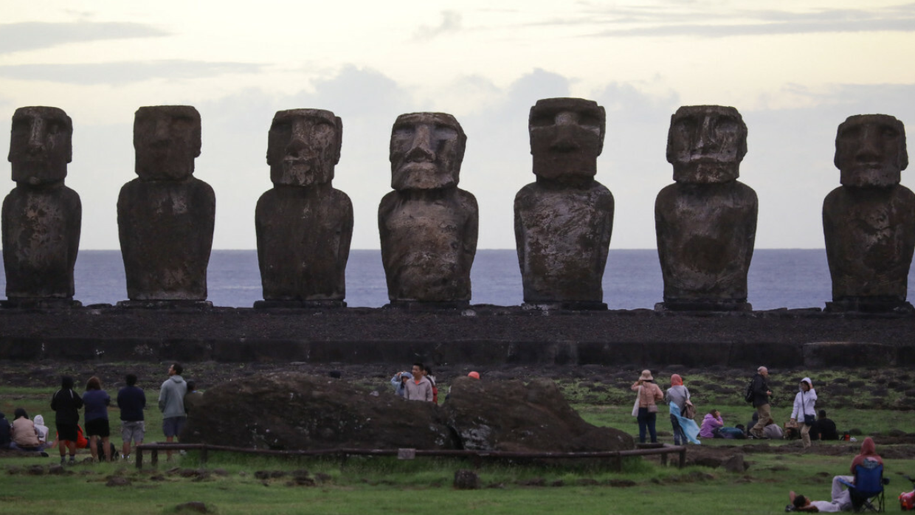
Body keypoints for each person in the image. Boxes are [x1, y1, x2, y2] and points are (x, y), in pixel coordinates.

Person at [50, 376, 83, 465]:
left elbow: (53, 406)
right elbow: (80, 404)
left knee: (62, 438)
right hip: (71, 420)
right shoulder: (72, 393)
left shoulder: (57, 393)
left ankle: (63, 459)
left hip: (60, 420)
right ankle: (72, 459)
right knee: (72, 439)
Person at [159, 363, 188, 460]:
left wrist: (163, 409)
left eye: (170, 368)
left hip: (169, 414)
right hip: (182, 412)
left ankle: (169, 457)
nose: (169, 369)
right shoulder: (184, 384)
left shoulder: (166, 383)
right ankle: (183, 454)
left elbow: (161, 400)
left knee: (169, 436)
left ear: (174, 371)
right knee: (181, 436)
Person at [117, 373, 146, 460]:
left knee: (126, 440)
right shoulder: (140, 391)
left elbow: (119, 403)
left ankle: (126, 457)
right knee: (138, 440)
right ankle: (139, 457)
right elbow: (143, 403)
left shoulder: (122, 391)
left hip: (126, 418)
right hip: (138, 418)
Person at [83, 376, 111, 462]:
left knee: (93, 439)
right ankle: (107, 458)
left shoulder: (86, 394)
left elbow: (83, 402)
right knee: (105, 439)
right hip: (102, 418)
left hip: (90, 419)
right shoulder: (103, 393)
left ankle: (95, 458)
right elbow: (107, 401)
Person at [631, 370, 664, 444]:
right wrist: (654, 399)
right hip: (651, 408)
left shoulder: (639, 387)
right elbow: (661, 396)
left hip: (642, 408)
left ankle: (642, 443)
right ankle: (654, 442)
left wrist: (638, 382)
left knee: (642, 428)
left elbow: (633, 388)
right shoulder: (655, 386)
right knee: (652, 427)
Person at [790, 377, 818, 448]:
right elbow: (795, 407)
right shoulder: (798, 395)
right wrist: (793, 417)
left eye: (805, 385)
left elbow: (814, 398)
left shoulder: (811, 393)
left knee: (804, 432)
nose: (803, 387)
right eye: (802, 385)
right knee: (802, 434)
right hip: (800, 417)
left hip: (809, 416)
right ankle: (806, 446)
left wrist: (811, 389)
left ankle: (808, 446)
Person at [665, 374, 690, 445]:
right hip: (683, 411)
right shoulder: (684, 388)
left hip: (673, 412)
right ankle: (685, 443)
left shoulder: (669, 390)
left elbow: (667, 401)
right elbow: (687, 398)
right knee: (683, 428)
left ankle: (676, 443)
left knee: (675, 429)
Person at [749, 366, 773, 439]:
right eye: (766, 372)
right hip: (761, 401)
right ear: (762, 372)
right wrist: (766, 393)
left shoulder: (756, 378)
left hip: (758, 401)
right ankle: (755, 429)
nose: (767, 373)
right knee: (766, 416)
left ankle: (760, 434)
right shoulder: (759, 379)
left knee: (761, 417)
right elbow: (757, 390)